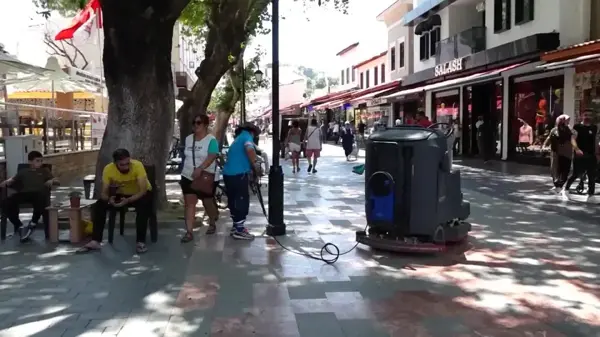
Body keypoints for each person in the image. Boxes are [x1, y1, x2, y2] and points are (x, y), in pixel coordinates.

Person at [78, 149, 153, 254]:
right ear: (115, 163)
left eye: (128, 163)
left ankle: (140, 242)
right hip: (121, 194)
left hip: (140, 194)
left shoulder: (137, 166)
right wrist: (109, 199)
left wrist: (128, 200)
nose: (126, 167)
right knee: (99, 205)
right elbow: (104, 193)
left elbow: (143, 190)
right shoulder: (108, 169)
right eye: (122, 165)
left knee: (144, 206)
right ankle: (96, 241)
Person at [0, 151, 58, 242]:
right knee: (6, 202)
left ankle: (33, 223)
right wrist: (7, 181)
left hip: (38, 194)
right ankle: (19, 226)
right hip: (25, 193)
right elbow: (13, 179)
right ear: (30, 162)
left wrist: (52, 181)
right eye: (37, 161)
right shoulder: (24, 171)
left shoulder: (44, 170)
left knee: (41, 199)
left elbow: (55, 180)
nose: (40, 163)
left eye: (41, 161)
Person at [179, 114, 220, 242]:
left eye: (199, 123)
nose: (195, 125)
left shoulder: (211, 140)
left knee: (207, 202)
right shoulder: (188, 139)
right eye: (194, 123)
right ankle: (189, 232)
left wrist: (200, 168)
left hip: (205, 177)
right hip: (188, 175)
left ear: (206, 125)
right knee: (189, 204)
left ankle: (212, 221)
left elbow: (212, 156)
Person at [222, 122, 262, 240]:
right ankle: (239, 230)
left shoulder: (238, 138)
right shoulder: (246, 137)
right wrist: (256, 165)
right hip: (238, 174)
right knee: (241, 200)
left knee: (233, 200)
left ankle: (236, 226)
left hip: (228, 174)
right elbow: (249, 149)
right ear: (252, 132)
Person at [563, 110, 598, 201]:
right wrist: (576, 149)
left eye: (589, 115)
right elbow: (573, 139)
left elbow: (596, 141)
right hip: (580, 155)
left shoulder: (594, 128)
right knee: (576, 174)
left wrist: (597, 153)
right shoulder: (577, 127)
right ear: (582, 116)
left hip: (591, 155)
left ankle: (591, 195)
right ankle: (565, 189)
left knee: (592, 176)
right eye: (585, 115)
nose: (587, 117)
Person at [543, 115, 580, 193]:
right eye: (563, 120)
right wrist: (544, 146)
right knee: (555, 170)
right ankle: (557, 185)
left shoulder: (572, 131)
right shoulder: (554, 130)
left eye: (567, 120)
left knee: (565, 170)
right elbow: (549, 138)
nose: (565, 122)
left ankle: (560, 185)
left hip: (567, 154)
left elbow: (574, 138)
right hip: (555, 153)